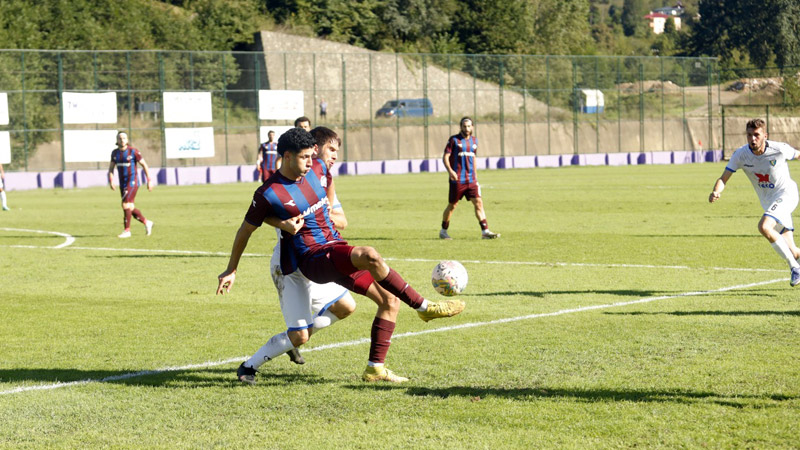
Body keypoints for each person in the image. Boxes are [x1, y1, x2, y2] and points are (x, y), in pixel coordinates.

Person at [216, 127, 465, 384]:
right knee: (369, 255)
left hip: (332, 248)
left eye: (313, 156)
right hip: (308, 260)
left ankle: (375, 369)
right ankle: (425, 307)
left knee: (386, 301)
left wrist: (324, 207)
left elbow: (325, 162)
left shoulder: (317, 169)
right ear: (287, 156)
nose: (311, 162)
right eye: (304, 157)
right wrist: (232, 269)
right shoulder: (268, 193)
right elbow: (246, 229)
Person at [709, 118, 800, 286]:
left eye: (756, 135)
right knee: (792, 250)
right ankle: (796, 261)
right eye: (749, 135)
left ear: (765, 135)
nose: (752, 139)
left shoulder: (779, 149)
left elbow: (797, 154)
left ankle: (794, 268)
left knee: (764, 227)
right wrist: (716, 191)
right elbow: (724, 178)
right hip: (768, 201)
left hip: (787, 194)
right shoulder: (741, 154)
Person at [439, 117, 500, 240]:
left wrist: (475, 177)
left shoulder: (474, 141)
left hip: (471, 180)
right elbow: (445, 157)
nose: (466, 129)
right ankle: (443, 231)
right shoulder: (454, 140)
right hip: (457, 180)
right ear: (460, 127)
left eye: (469, 126)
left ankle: (485, 231)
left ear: (472, 127)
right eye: (464, 126)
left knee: (478, 203)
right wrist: (450, 171)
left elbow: (473, 159)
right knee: (452, 205)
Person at [108, 131, 154, 238]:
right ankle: (147, 222)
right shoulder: (114, 153)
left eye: (124, 138)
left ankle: (127, 230)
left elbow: (144, 165)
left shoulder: (133, 152)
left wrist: (149, 180)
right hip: (122, 183)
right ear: (117, 140)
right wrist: (111, 180)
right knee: (130, 207)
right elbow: (111, 168)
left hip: (133, 182)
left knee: (125, 204)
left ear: (127, 140)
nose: (122, 140)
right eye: (120, 138)